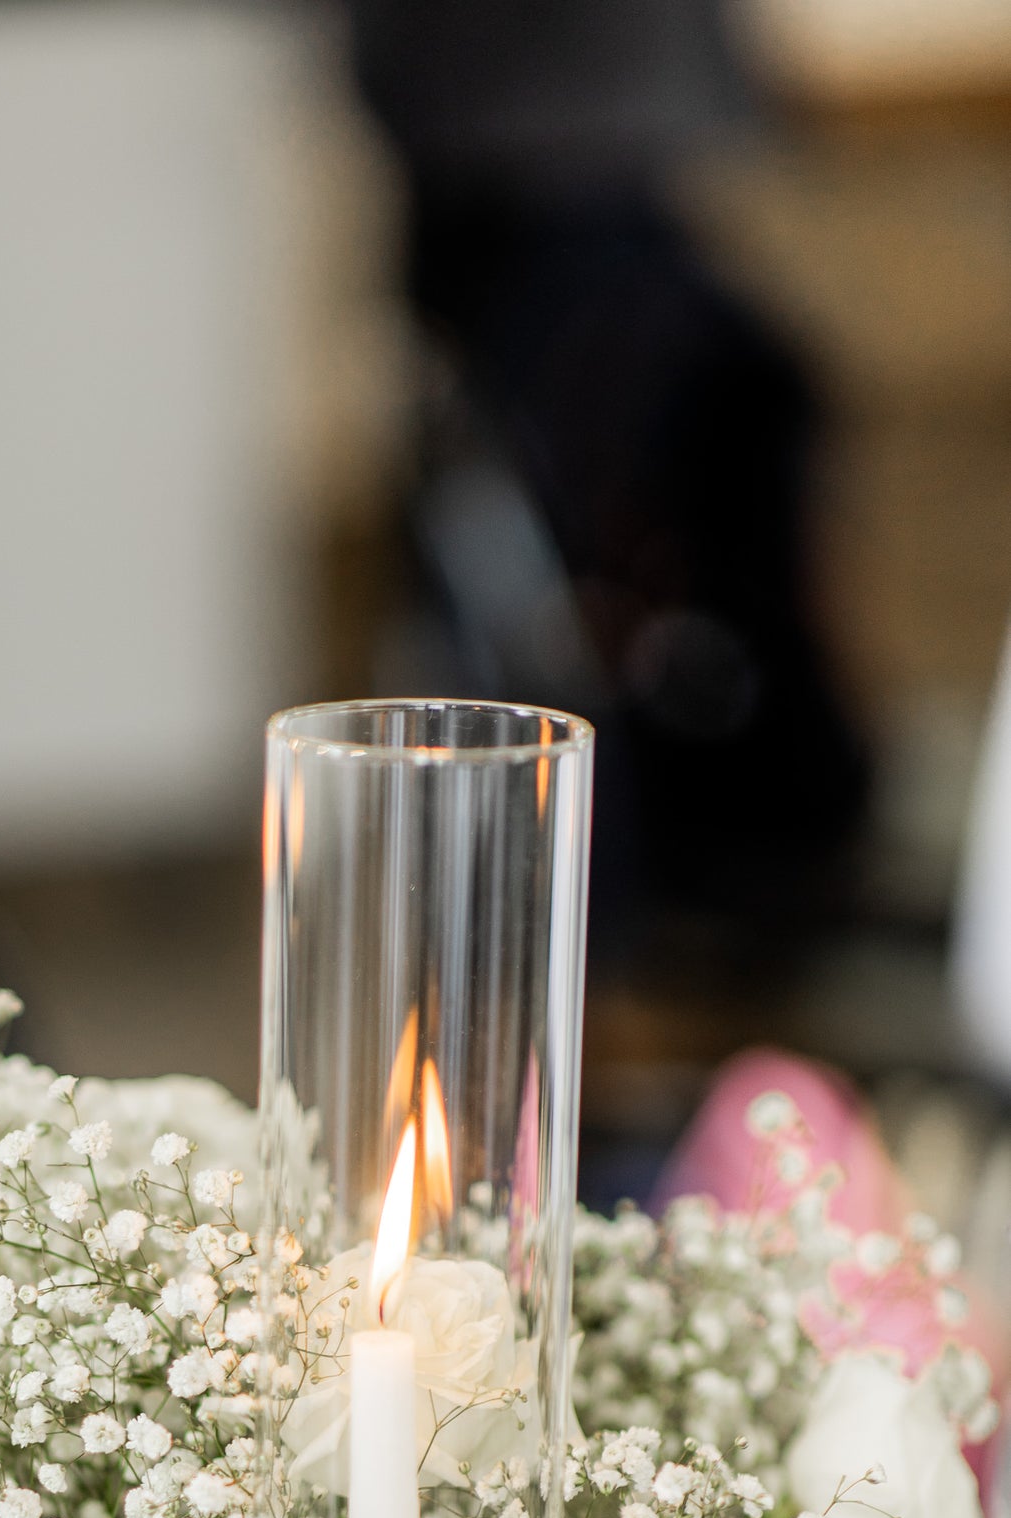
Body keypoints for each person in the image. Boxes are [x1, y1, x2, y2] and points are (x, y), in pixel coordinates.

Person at [347, 0, 870, 935]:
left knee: (750, 403)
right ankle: (644, 876)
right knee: (613, 488)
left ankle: (774, 824)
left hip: (598, 188)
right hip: (518, 196)